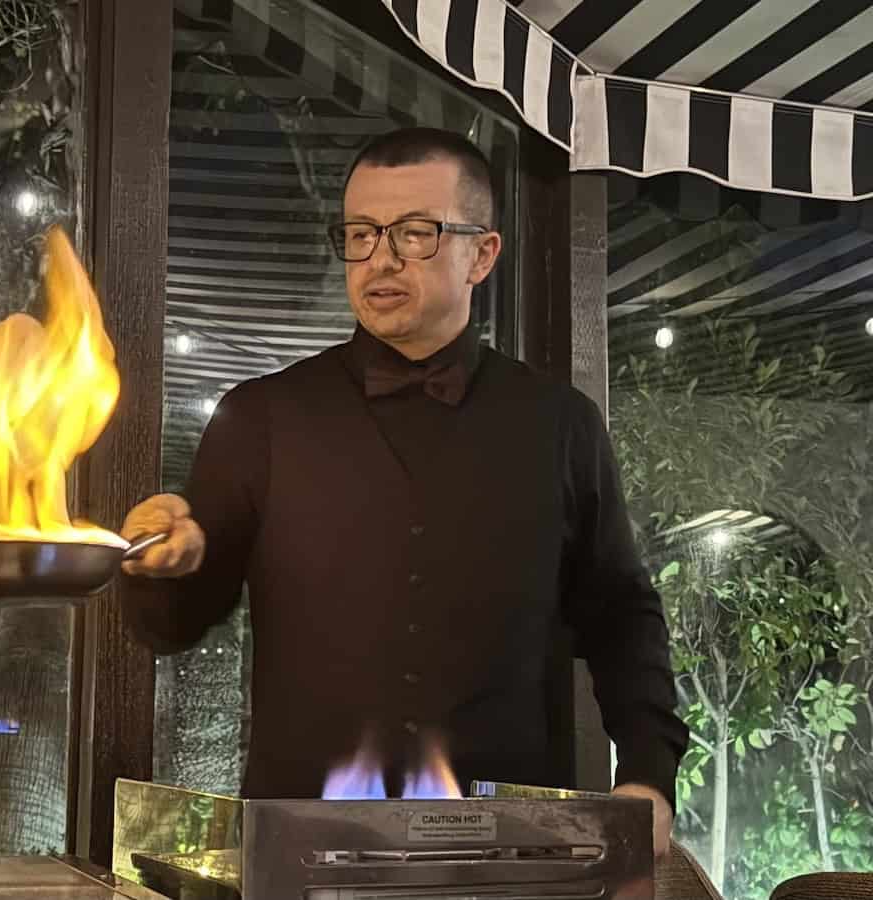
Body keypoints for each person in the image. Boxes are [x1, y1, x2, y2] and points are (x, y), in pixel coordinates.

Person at [120, 126, 688, 859]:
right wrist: (158, 566)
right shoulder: (258, 417)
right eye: (360, 233)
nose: (380, 258)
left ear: (482, 253)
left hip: (510, 855)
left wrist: (648, 773)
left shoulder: (559, 424)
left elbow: (621, 616)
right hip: (303, 851)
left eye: (416, 233)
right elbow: (174, 627)